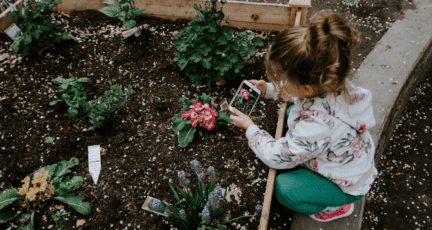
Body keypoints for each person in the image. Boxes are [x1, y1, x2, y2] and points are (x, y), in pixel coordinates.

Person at [229, 10, 377, 222]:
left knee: (284, 189)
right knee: (291, 112)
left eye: (281, 78)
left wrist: (250, 128)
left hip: (345, 184)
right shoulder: (335, 84)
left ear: (307, 88)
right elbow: (299, 95)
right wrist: (269, 90)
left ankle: (333, 207)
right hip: (350, 161)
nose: (280, 81)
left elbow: (275, 156)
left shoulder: (316, 127)